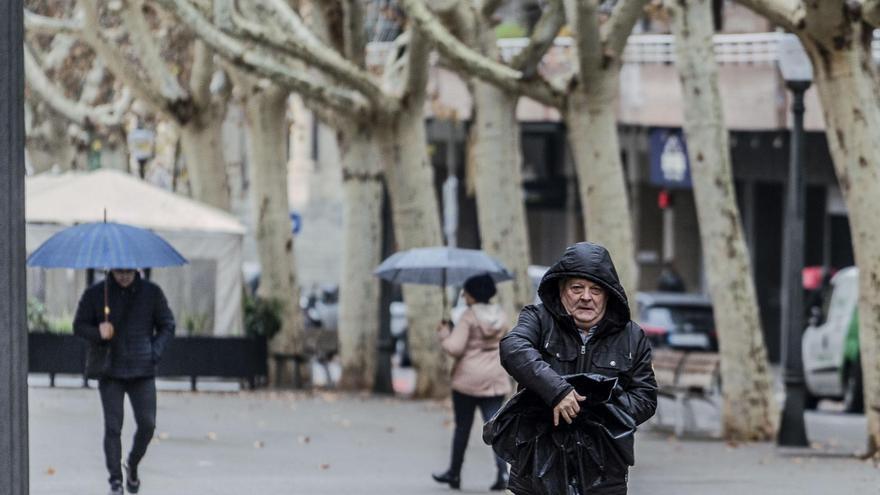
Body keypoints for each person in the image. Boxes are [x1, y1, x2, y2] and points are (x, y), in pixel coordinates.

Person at [498, 242, 657, 494]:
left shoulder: (632, 336)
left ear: (608, 294)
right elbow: (513, 348)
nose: (586, 297)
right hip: (538, 463)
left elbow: (646, 397)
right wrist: (557, 391)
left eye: (596, 290)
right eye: (577, 288)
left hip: (604, 469)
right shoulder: (538, 319)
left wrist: (600, 412)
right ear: (561, 289)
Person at [74, 268, 175, 495]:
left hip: (142, 369)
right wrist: (98, 331)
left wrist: (154, 351)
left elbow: (168, 324)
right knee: (113, 427)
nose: (124, 276)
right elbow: (78, 326)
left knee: (147, 425)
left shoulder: (152, 293)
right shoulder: (97, 294)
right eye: (119, 271)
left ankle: (132, 464)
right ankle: (115, 482)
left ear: (136, 269)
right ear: (111, 270)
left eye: (128, 271)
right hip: (110, 370)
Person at [432, 274, 512, 491]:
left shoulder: (469, 316)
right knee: (495, 427)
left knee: (462, 428)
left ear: (473, 294)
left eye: (465, 292)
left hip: (467, 380)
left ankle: (454, 473)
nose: (463, 296)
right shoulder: (501, 315)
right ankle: (503, 473)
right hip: (495, 378)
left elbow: (455, 348)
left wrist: (444, 333)